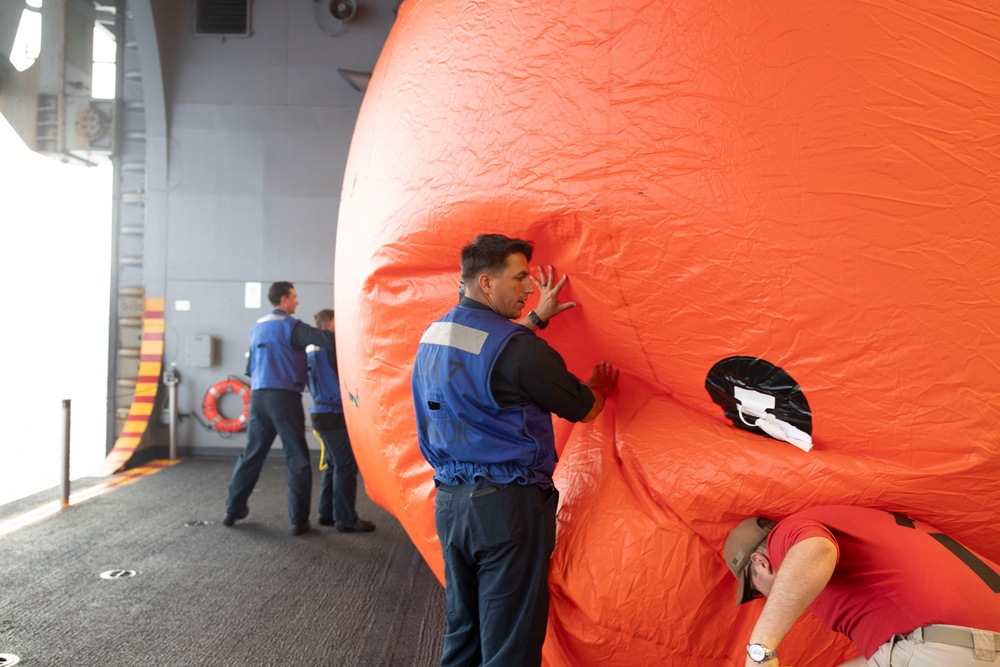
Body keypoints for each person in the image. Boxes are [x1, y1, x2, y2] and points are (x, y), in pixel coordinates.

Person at [411, 233, 619, 667]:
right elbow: (584, 409)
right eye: (520, 277)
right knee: (511, 645)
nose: (529, 288)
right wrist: (600, 386)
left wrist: (534, 321)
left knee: (464, 633)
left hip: (451, 504)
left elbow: (485, 358)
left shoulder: (434, 335)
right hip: (506, 509)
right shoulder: (521, 351)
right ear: (486, 283)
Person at [723, 504, 1000, 667]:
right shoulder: (862, 522)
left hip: (946, 649)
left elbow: (817, 549)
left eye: (758, 590)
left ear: (760, 563)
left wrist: (760, 650)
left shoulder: (785, 536)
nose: (767, 597)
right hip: (972, 646)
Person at [223, 281, 335, 536]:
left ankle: (232, 510)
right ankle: (298, 521)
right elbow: (324, 339)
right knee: (297, 458)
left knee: (251, 455)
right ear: (284, 299)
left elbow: (250, 368)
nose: (297, 302)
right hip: (284, 398)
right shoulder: (291, 327)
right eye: (294, 297)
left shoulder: (256, 328)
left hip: (259, 398)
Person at [306, 308, 375, 533]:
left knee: (334, 463)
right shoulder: (331, 347)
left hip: (319, 413)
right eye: (337, 322)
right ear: (327, 325)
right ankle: (345, 518)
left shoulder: (311, 350)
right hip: (334, 413)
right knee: (345, 465)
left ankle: (326, 513)